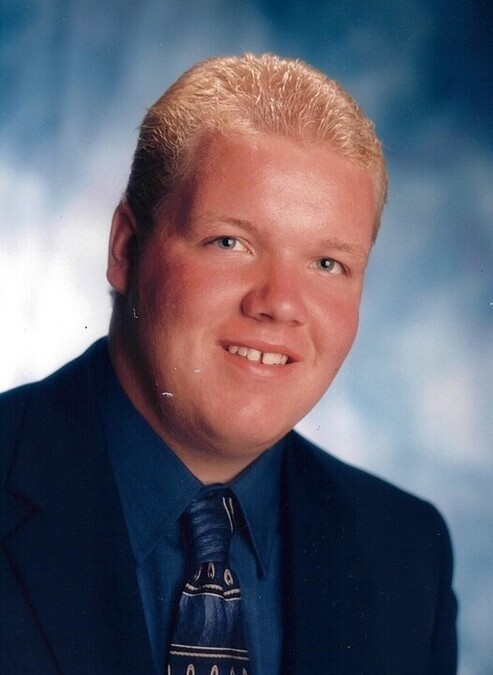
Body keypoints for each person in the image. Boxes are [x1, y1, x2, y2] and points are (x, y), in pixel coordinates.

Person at [0, 54, 457, 674]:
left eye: (328, 264)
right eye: (230, 242)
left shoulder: (405, 554)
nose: (280, 304)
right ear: (127, 248)